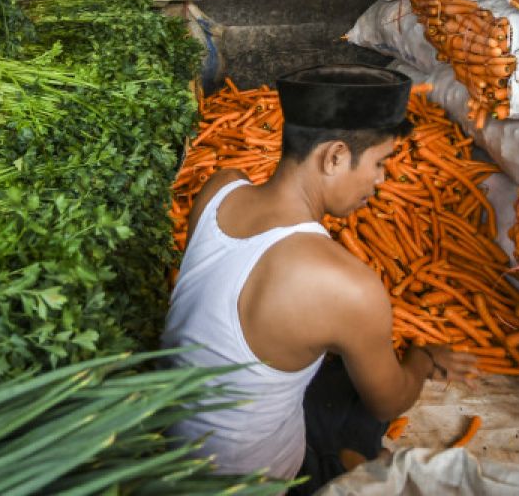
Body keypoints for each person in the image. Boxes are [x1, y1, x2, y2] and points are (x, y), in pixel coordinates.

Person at [163, 64, 478, 493]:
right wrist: (422, 360)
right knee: (369, 394)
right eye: (380, 163)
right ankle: (335, 464)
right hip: (253, 484)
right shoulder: (347, 286)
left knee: (335, 373)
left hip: (169, 449)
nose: (381, 181)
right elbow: (389, 401)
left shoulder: (220, 189)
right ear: (333, 157)